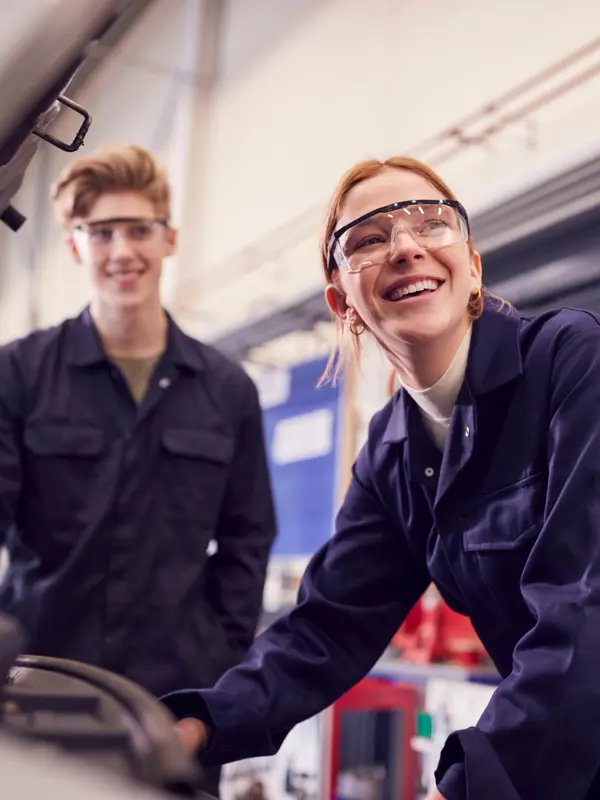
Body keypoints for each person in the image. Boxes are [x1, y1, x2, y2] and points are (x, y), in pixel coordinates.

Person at [162, 154, 600, 800]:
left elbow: (586, 608)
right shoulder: (393, 452)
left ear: (472, 266)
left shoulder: (571, 358)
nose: (404, 247)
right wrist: (194, 723)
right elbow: (327, 626)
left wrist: (464, 787)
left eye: (432, 224)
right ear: (342, 300)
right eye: (368, 239)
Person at [0, 143, 276, 798]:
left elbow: (248, 538)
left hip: (175, 706)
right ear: (75, 246)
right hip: (36, 692)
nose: (122, 251)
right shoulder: (18, 375)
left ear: (168, 238)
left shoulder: (226, 389)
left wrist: (218, 660)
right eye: (101, 232)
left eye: (138, 229)